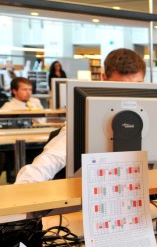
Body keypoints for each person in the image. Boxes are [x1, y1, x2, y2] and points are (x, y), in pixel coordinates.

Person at [14, 48, 146, 183]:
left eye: (137, 86)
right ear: (104, 78)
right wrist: (22, 189)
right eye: (121, 87)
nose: (129, 94)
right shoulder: (86, 116)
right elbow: (51, 159)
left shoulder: (153, 113)